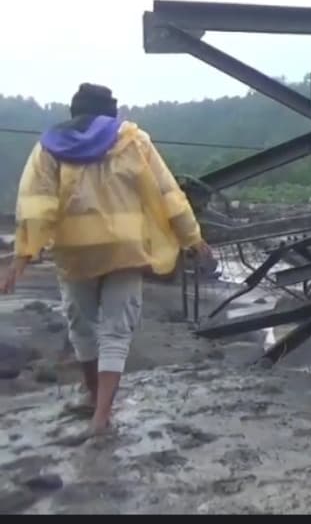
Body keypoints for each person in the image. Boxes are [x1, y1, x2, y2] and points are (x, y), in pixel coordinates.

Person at [1, 83, 212, 435]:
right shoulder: (133, 140)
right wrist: (193, 238)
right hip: (125, 251)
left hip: (75, 252)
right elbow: (168, 194)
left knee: (82, 326)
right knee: (116, 331)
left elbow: (36, 205)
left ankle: (91, 396)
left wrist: (22, 257)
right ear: (110, 112)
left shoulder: (49, 147)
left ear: (75, 112)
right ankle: (101, 417)